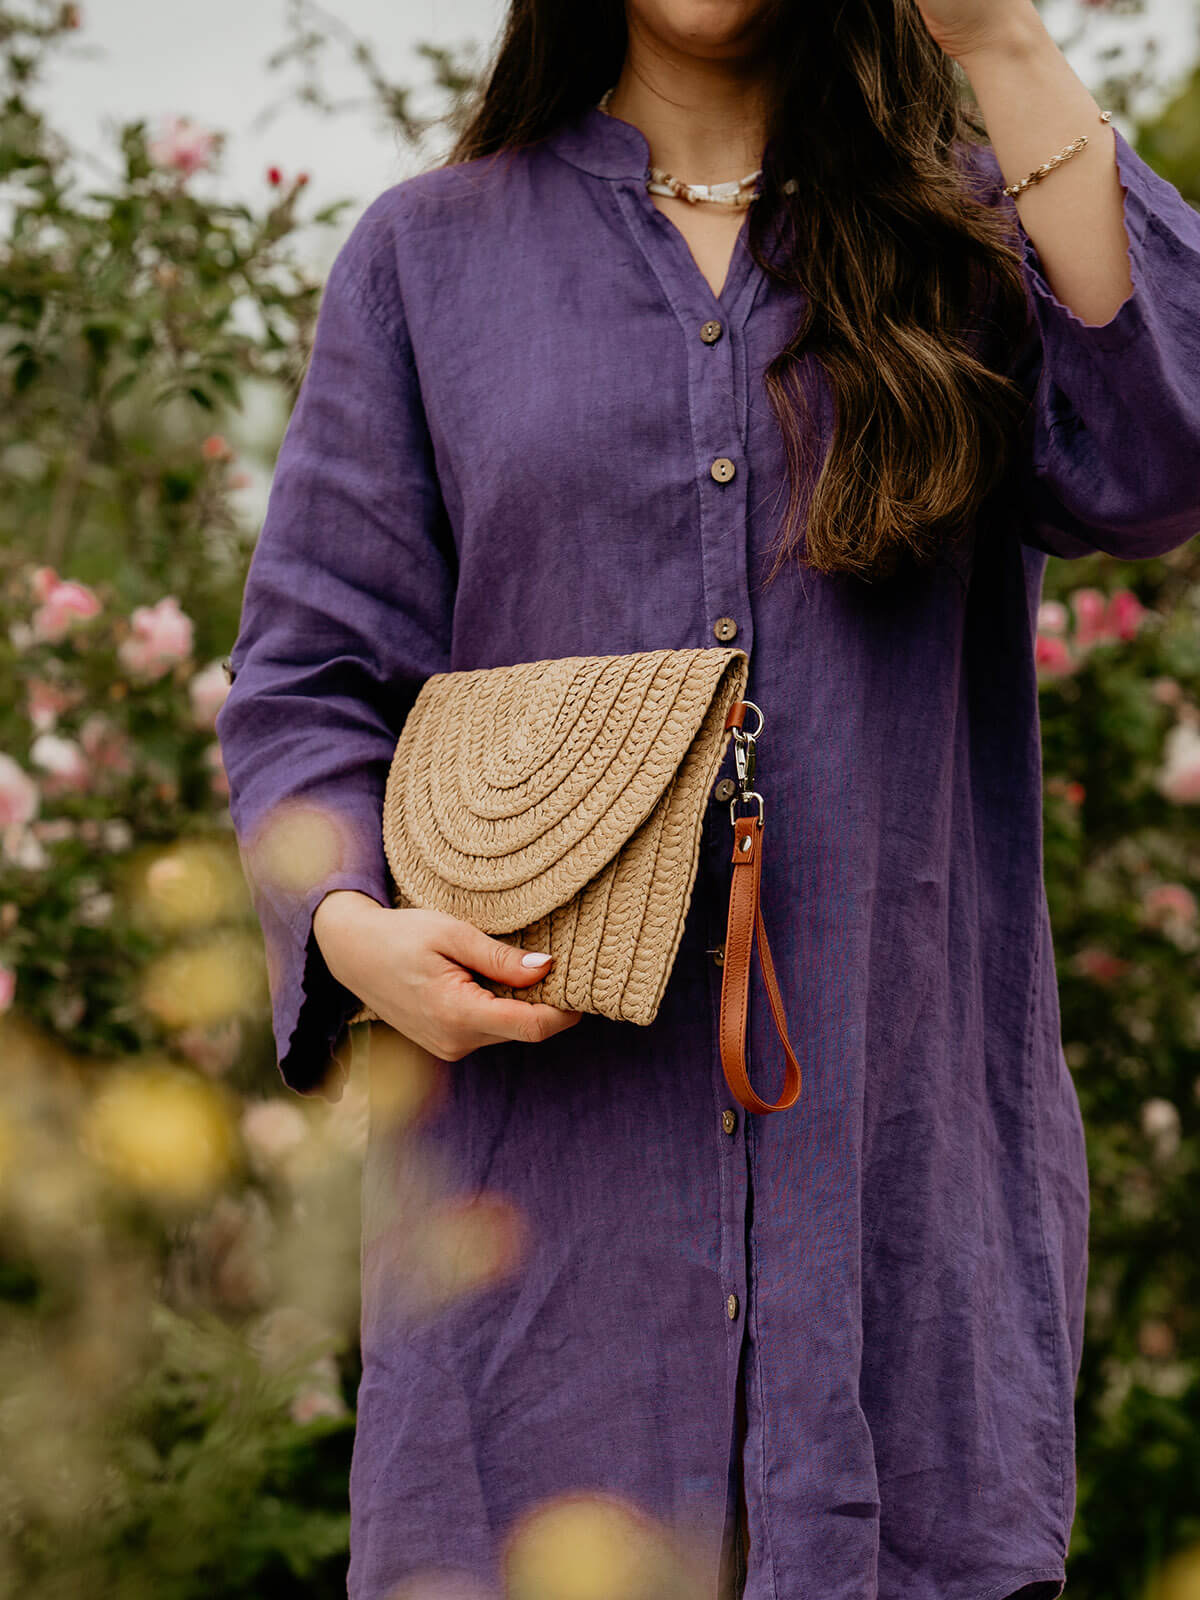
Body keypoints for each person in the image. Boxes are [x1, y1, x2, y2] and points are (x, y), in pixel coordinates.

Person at [213, 0, 1200, 1593]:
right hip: (541, 1249)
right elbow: (309, 679)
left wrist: (1007, 45)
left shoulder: (972, 237)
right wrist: (350, 934)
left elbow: (1162, 458)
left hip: (899, 1241)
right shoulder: (426, 260)